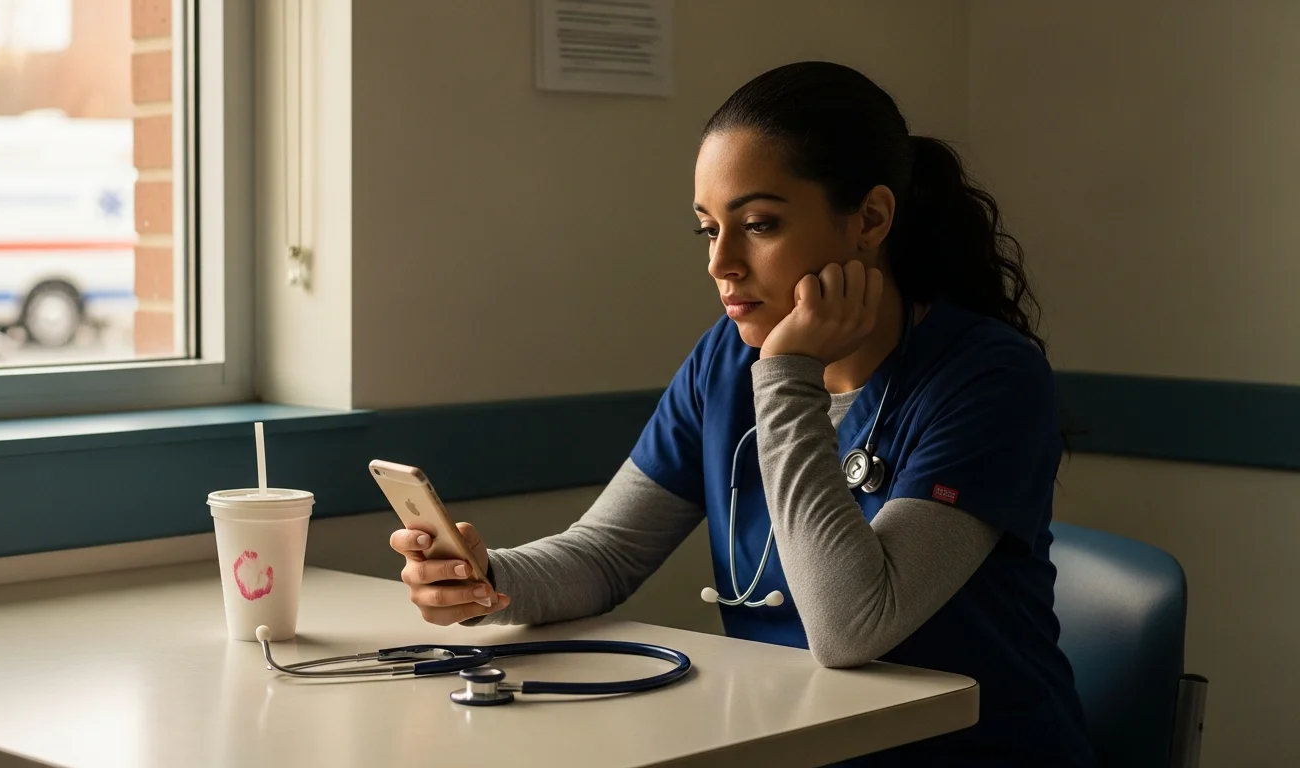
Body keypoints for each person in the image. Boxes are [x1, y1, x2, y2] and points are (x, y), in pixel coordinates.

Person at [389, 61, 1096, 767]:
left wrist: (788, 376)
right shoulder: (725, 359)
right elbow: (605, 555)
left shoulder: (987, 377)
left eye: (759, 224)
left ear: (871, 219)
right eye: (708, 230)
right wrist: (486, 582)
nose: (721, 263)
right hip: (791, 743)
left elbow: (851, 626)